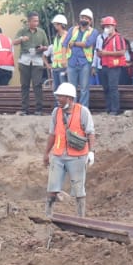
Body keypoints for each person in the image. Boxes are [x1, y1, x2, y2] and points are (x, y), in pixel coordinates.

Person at [43, 82, 94, 218]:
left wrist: (91, 152)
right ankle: (48, 215)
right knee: (52, 188)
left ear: (70, 98)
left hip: (77, 156)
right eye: (58, 96)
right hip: (59, 154)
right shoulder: (56, 112)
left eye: (61, 97)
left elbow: (90, 132)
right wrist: (47, 153)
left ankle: (80, 217)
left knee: (79, 190)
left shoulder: (83, 112)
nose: (58, 99)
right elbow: (52, 134)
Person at [13, 12, 51, 115]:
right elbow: (14, 42)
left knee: (37, 84)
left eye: (37, 21)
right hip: (24, 60)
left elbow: (47, 46)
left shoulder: (41, 32)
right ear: (29, 21)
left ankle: (38, 109)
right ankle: (24, 109)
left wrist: (43, 48)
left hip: (37, 60)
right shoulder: (22, 31)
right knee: (24, 85)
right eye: (34, 21)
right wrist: (21, 39)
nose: (36, 23)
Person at [63, 9, 98, 106]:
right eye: (82, 17)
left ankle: (83, 109)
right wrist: (63, 59)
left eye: (86, 18)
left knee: (84, 88)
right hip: (71, 62)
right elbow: (65, 44)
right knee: (71, 88)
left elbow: (87, 44)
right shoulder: (72, 30)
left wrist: (73, 43)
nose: (84, 19)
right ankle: (72, 109)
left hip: (85, 63)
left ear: (90, 21)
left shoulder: (93, 32)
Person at [95, 16, 128, 115]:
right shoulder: (106, 39)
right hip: (105, 65)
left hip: (114, 67)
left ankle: (115, 109)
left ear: (113, 26)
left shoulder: (118, 38)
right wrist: (101, 54)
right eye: (105, 26)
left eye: (108, 26)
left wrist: (106, 53)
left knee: (113, 87)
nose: (106, 28)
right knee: (106, 88)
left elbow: (122, 52)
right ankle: (109, 108)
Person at [48, 14, 71, 91]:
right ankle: (58, 103)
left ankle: (64, 103)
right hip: (56, 67)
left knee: (64, 90)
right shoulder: (56, 37)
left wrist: (68, 66)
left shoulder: (67, 36)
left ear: (60, 25)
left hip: (63, 67)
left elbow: (70, 52)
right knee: (56, 90)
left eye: (55, 24)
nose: (54, 25)